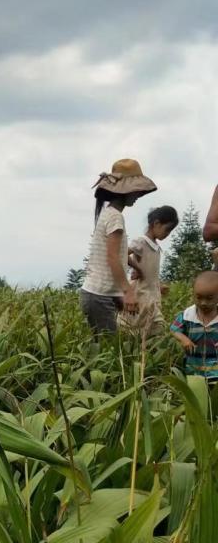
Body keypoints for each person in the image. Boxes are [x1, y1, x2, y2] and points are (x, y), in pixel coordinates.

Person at [80, 158, 157, 333]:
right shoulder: (115, 217)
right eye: (137, 191)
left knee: (107, 347)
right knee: (110, 351)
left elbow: (118, 256)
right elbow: (112, 257)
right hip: (99, 297)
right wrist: (128, 291)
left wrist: (137, 267)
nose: (138, 195)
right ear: (126, 191)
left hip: (98, 295)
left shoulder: (109, 214)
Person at [118, 205, 179, 338]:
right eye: (167, 230)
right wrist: (137, 268)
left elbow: (152, 272)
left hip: (152, 294)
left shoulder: (155, 246)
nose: (167, 234)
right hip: (141, 294)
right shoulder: (142, 242)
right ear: (156, 223)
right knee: (136, 328)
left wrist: (158, 285)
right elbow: (122, 254)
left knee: (150, 328)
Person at [170, 270, 218, 379]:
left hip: (216, 367)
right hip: (193, 365)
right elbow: (174, 329)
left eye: (209, 298)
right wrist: (184, 339)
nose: (203, 302)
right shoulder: (187, 315)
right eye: (199, 297)